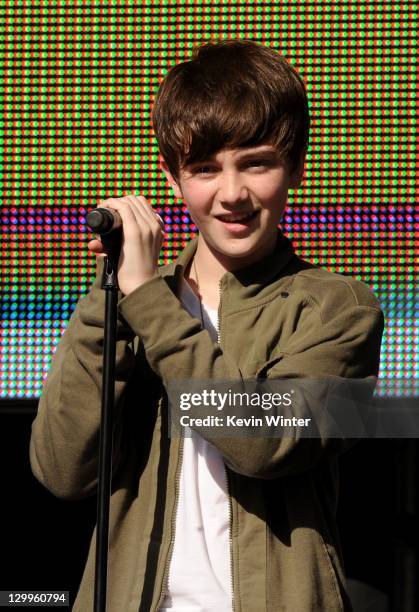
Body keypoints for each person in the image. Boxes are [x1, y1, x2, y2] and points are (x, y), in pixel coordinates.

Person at [30, 39, 384, 612]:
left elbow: (262, 444)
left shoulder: (337, 308)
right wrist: (111, 301)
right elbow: (61, 471)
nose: (232, 194)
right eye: (203, 169)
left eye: (256, 162)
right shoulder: (133, 300)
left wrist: (148, 303)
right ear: (172, 177)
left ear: (294, 165)